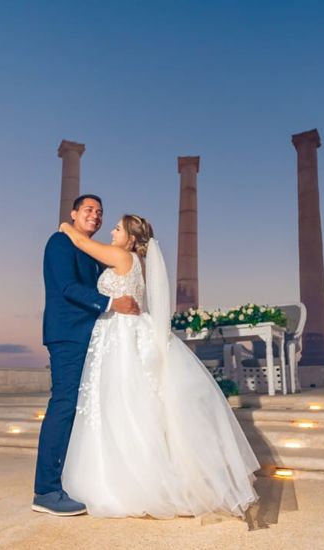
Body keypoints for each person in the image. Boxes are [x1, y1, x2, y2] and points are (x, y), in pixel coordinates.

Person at [59, 213, 259, 518]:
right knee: (129, 404)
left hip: (121, 335)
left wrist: (66, 225)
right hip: (123, 332)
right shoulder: (135, 263)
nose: (111, 231)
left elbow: (79, 240)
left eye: (117, 228)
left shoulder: (120, 256)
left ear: (131, 238)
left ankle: (123, 481)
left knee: (119, 403)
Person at [32, 195, 140, 516]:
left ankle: (72, 479)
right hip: (67, 336)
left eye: (100, 212)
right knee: (63, 405)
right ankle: (46, 491)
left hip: (92, 338)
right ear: (74, 213)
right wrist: (111, 304)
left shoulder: (91, 253)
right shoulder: (60, 242)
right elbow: (66, 287)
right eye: (89, 210)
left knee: (84, 409)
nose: (95, 215)